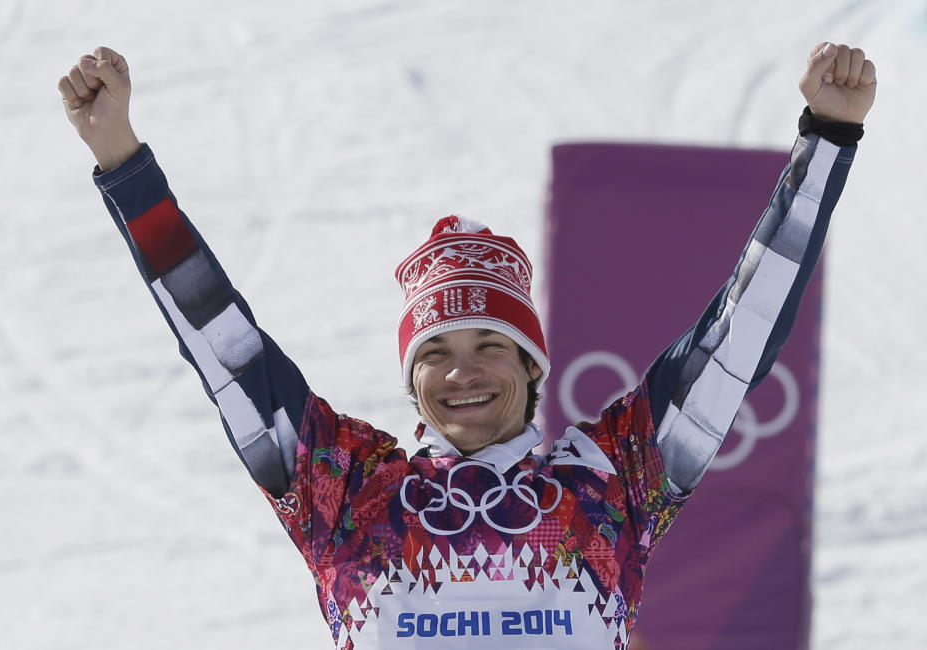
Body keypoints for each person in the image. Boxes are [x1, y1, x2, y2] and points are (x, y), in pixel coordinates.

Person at [58, 42, 875, 649]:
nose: (463, 371)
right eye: (436, 353)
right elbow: (224, 346)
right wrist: (123, 162)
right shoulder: (347, 493)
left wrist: (827, 138)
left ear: (531, 364)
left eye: (491, 343)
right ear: (412, 383)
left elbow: (736, 339)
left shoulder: (611, 483)